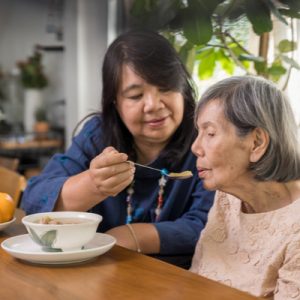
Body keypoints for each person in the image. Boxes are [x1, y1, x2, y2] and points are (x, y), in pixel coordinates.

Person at [21, 30, 214, 268]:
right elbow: (34, 199)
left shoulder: (205, 139)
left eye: (165, 88)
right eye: (136, 95)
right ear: (115, 102)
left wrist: (130, 235)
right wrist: (93, 184)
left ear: (183, 88)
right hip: (99, 272)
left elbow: (209, 225)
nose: (153, 105)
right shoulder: (98, 135)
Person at [190, 75, 300, 299]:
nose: (195, 147)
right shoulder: (226, 198)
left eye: (210, 133)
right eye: (198, 133)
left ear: (257, 143)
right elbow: (196, 281)